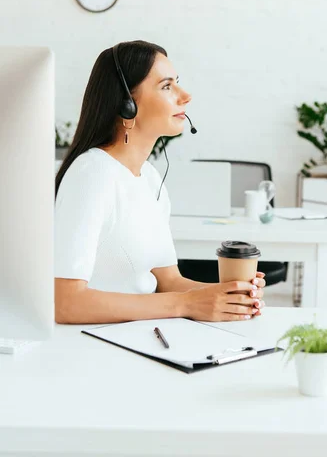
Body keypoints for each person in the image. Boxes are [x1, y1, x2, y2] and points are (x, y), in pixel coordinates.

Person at [54, 40, 265, 324]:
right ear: (127, 104)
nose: (185, 96)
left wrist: (230, 296)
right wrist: (184, 304)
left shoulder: (150, 178)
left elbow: (169, 281)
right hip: (95, 347)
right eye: (167, 86)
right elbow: (65, 302)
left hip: (140, 337)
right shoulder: (92, 174)